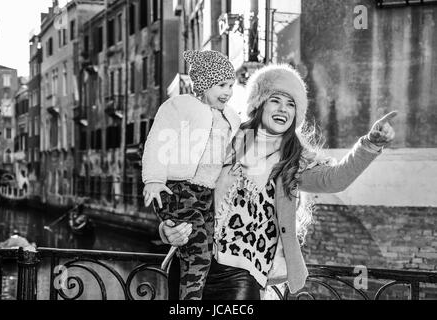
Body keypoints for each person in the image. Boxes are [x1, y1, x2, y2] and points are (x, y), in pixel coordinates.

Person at [159, 64, 397, 300]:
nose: (284, 109)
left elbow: (334, 179)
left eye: (291, 103)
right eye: (276, 100)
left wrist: (371, 144)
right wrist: (168, 229)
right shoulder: (224, 138)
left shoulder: (292, 159)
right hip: (189, 264)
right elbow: (182, 190)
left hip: (241, 274)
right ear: (259, 103)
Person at [142, 50, 241, 300]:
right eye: (222, 85)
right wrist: (154, 179)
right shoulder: (181, 106)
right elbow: (157, 141)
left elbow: (238, 147)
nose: (228, 92)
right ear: (204, 84)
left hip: (206, 194)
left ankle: (189, 294)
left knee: (205, 247)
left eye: (231, 85)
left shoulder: (231, 117)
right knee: (198, 251)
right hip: (178, 189)